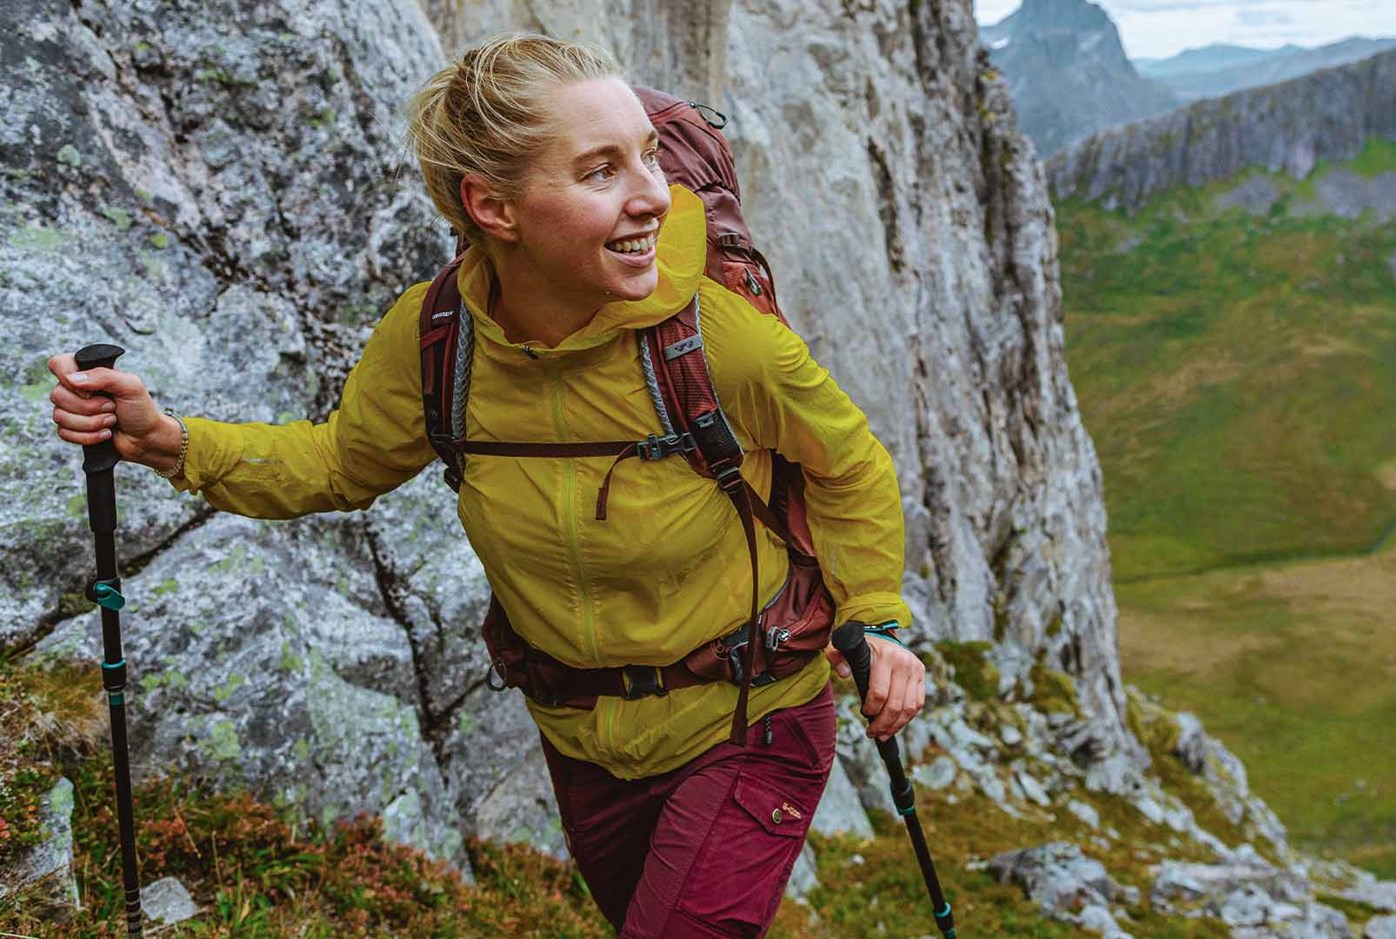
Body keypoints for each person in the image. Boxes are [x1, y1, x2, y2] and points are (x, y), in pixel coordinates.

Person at [47, 32, 925, 938]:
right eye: (599, 172)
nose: (653, 196)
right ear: (492, 206)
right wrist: (167, 440)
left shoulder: (717, 337)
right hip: (584, 742)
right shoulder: (439, 342)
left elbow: (846, 463)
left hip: (754, 721)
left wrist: (877, 615)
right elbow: (340, 463)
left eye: (651, 157)